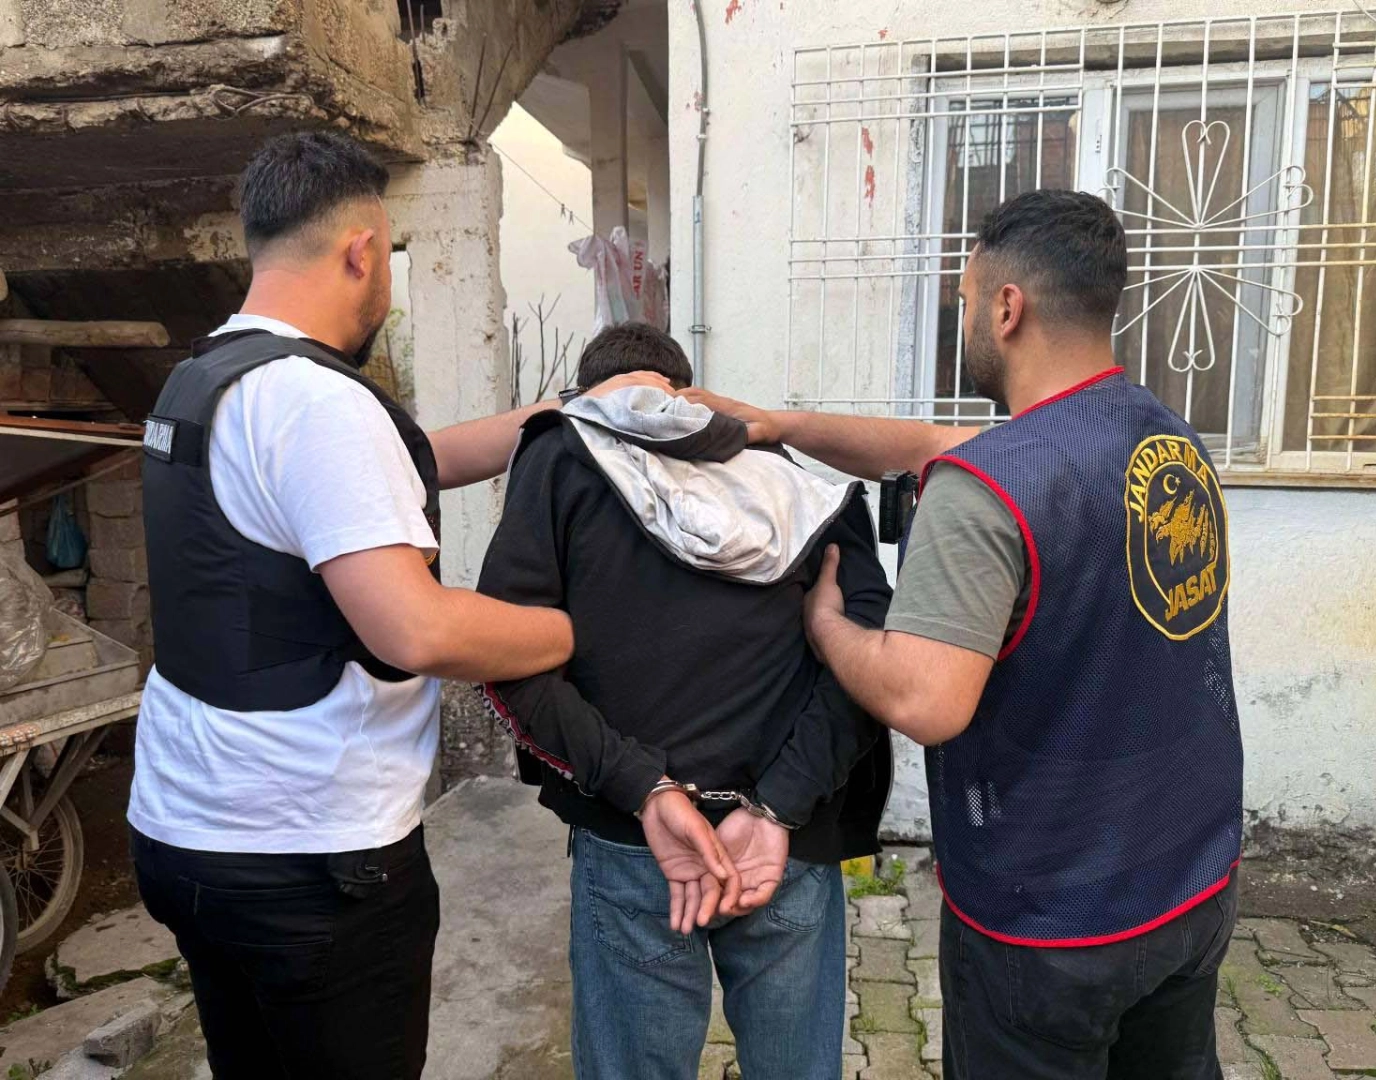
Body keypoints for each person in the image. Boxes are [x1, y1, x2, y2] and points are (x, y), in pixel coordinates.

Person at [128, 131, 666, 1079]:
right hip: (309, 858)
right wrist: (584, 628)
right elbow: (416, 629)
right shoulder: (317, 405)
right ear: (362, 251)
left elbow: (403, 463)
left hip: (188, 831)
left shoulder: (207, 377)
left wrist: (571, 409)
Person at [685, 190, 1244, 1080]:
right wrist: (778, 425)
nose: (963, 318)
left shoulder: (984, 489)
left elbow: (924, 699)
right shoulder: (1160, 434)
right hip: (1189, 880)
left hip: (1050, 919)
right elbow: (925, 442)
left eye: (964, 299)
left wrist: (827, 625)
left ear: (1006, 308)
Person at [474, 321, 894, 1080]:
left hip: (635, 834)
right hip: (783, 838)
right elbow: (873, 660)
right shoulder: (797, 477)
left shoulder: (558, 458)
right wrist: (779, 803)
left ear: (585, 391)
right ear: (687, 387)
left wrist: (642, 785)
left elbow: (503, 657)